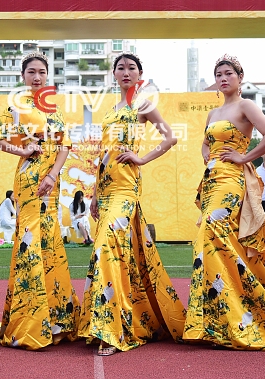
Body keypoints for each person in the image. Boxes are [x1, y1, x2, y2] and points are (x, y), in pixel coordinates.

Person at [183, 55, 265, 350]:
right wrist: (207, 154)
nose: (223, 78)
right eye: (218, 74)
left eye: (228, 73)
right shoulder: (213, 112)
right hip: (212, 181)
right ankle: (217, 318)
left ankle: (234, 316)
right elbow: (206, 142)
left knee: (212, 233)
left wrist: (245, 157)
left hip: (232, 181)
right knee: (215, 242)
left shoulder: (246, 106)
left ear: (239, 77)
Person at [79, 52, 186, 356]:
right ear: (114, 74)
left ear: (140, 74)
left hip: (127, 189)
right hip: (106, 190)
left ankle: (113, 329)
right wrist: (95, 194)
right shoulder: (111, 111)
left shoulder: (143, 105)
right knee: (117, 253)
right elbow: (104, 155)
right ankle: (122, 319)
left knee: (106, 247)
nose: (126, 72)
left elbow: (170, 139)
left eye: (131, 68)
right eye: (121, 68)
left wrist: (141, 158)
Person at [0, 51, 79, 350]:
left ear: (48, 76)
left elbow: (64, 145)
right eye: (31, 72)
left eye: (41, 72)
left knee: (50, 242)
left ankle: (56, 319)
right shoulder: (17, 105)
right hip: (28, 180)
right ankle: (29, 321)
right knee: (30, 239)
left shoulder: (54, 108)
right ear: (23, 76)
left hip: (51, 182)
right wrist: (21, 151)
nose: (37, 77)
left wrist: (52, 175)